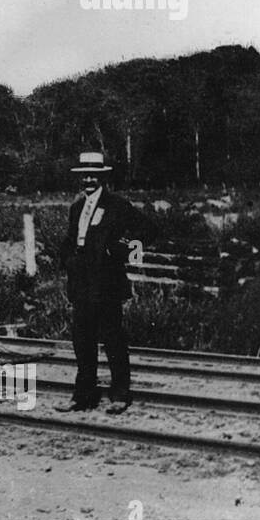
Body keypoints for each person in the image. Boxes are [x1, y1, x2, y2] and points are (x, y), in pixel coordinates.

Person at [54, 151, 158, 415]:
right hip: (82, 285)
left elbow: (148, 231)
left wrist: (122, 250)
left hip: (107, 284)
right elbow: (70, 240)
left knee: (113, 340)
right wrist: (66, 259)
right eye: (84, 176)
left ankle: (120, 395)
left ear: (102, 177)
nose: (89, 180)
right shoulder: (77, 207)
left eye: (94, 175)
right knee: (83, 341)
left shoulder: (117, 206)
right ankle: (83, 396)